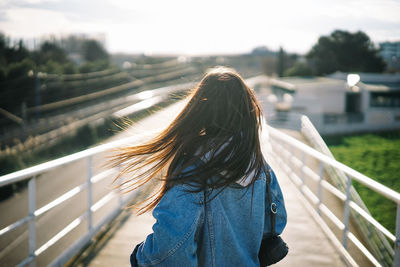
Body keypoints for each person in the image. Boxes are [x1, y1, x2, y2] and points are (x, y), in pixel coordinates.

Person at [111, 66, 287, 267]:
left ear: (199, 111)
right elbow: (277, 222)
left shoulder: (195, 171)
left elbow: (170, 251)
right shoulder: (261, 167)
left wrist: (140, 258)